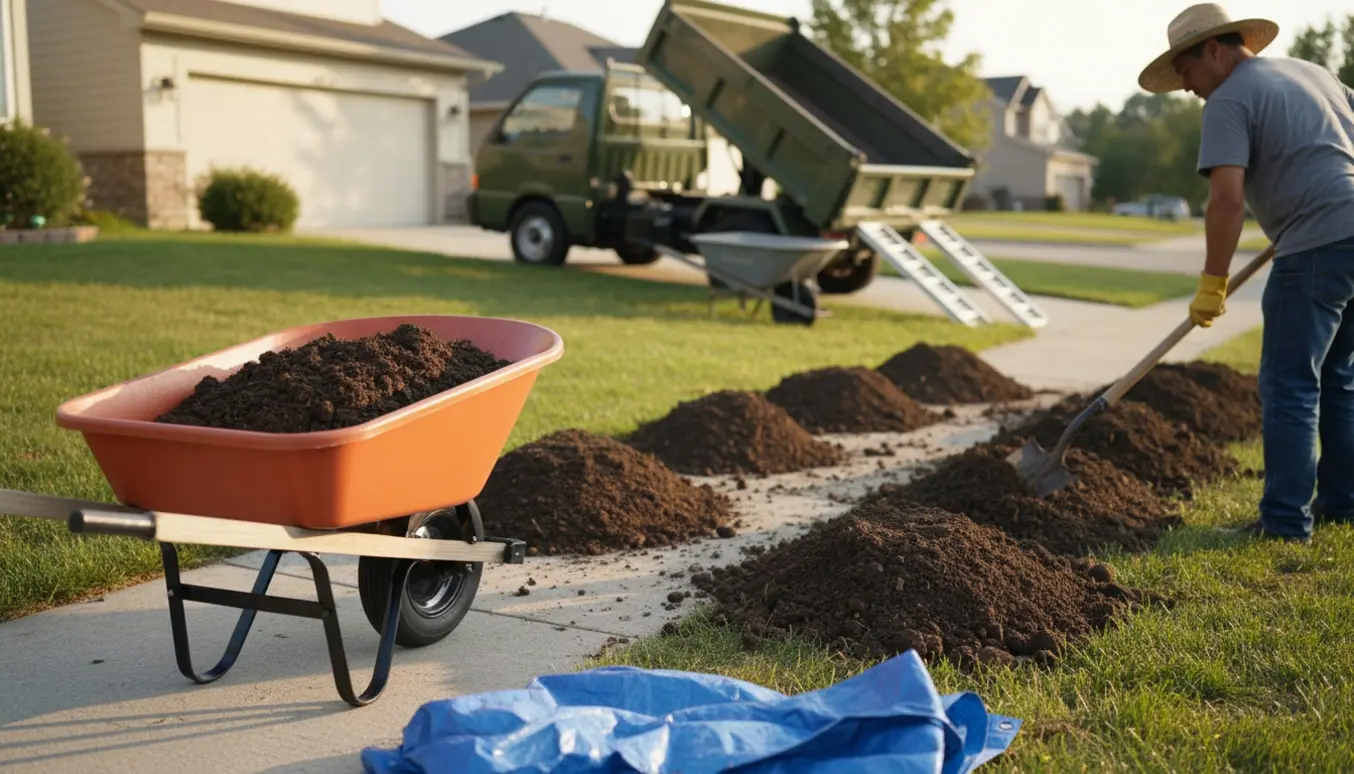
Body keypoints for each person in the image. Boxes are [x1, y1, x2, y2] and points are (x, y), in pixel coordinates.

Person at [1138, 4, 1354, 543]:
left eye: (1184, 72)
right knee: (1340, 380)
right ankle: (1343, 507)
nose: (1187, 89)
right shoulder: (1314, 73)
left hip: (1317, 246)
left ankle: (1283, 524)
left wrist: (1212, 282)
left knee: (1289, 387)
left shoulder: (1230, 98)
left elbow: (1226, 200)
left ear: (1213, 50)